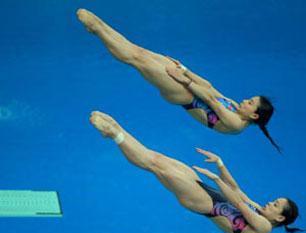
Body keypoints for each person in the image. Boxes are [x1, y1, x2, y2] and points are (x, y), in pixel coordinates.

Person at [77, 9, 280, 151]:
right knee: (139, 51)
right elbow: (211, 88)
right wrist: (184, 69)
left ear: (254, 115)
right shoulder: (236, 107)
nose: (245, 100)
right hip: (187, 85)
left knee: (136, 59)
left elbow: (209, 100)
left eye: (250, 103)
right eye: (249, 99)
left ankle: (98, 29)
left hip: (183, 95)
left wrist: (184, 80)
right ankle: (100, 27)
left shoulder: (236, 123)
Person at [89, 111, 301, 233]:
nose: (270, 203)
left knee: (156, 167)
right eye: (274, 201)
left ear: (280, 218)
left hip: (203, 203)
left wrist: (216, 179)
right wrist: (220, 164)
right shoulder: (260, 211)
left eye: (275, 205)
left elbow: (238, 203)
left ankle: (114, 134)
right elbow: (237, 191)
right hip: (210, 193)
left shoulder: (264, 228)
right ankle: (118, 130)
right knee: (158, 158)